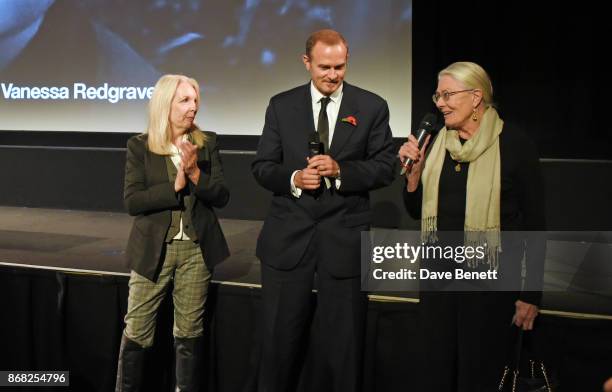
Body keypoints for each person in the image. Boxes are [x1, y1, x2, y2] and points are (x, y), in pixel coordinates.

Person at [251, 29, 395, 392]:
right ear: (307, 63)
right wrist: (296, 177)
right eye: (324, 67)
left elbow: (385, 166)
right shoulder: (281, 106)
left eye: (340, 66)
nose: (332, 75)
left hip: (344, 243)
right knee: (277, 347)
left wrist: (342, 171)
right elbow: (263, 167)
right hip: (288, 243)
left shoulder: (372, 106)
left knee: (343, 350)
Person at [399, 61, 546, 391]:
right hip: (438, 280)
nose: (440, 103)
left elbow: (536, 225)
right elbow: (413, 210)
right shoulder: (435, 142)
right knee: (435, 370)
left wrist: (530, 294)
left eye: (448, 95)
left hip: (490, 285)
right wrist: (413, 175)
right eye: (437, 95)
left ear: (476, 97)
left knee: (479, 373)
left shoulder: (515, 145)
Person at [116, 74, 230, 391]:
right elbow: (133, 201)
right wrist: (176, 185)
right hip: (154, 250)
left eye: (195, 100)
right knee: (138, 330)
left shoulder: (207, 143)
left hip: (196, 251)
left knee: (189, 330)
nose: (193, 106)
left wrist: (195, 173)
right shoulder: (140, 147)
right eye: (184, 100)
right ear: (165, 104)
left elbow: (221, 195)